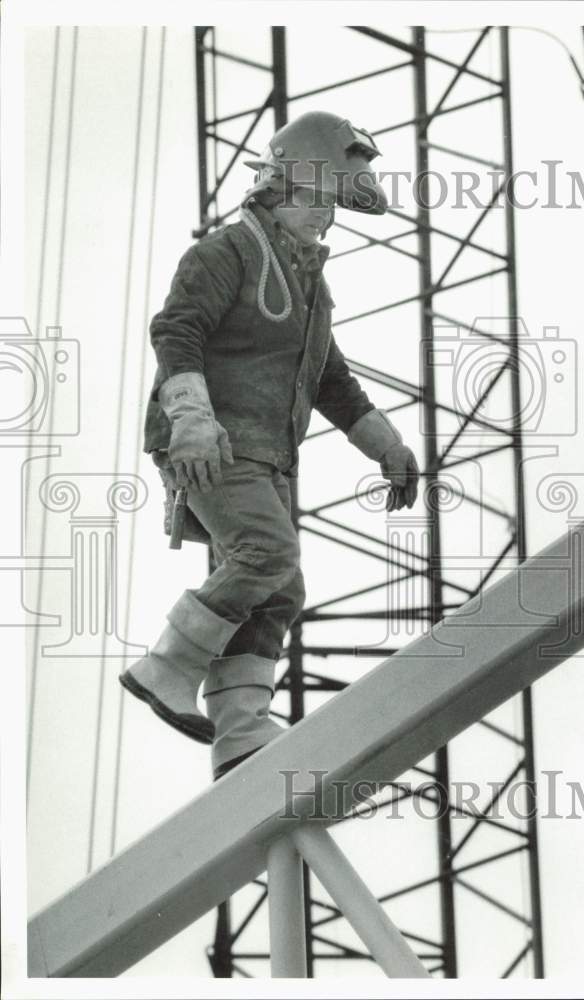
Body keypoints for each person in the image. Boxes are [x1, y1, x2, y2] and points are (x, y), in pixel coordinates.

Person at [120, 111, 420, 779]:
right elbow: (178, 331)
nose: (325, 218)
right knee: (265, 553)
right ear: (284, 188)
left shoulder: (310, 282)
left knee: (279, 587)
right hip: (214, 442)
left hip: (270, 452)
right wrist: (192, 417)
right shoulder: (225, 253)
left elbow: (329, 379)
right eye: (319, 202)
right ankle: (166, 668)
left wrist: (386, 444)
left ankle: (240, 732)